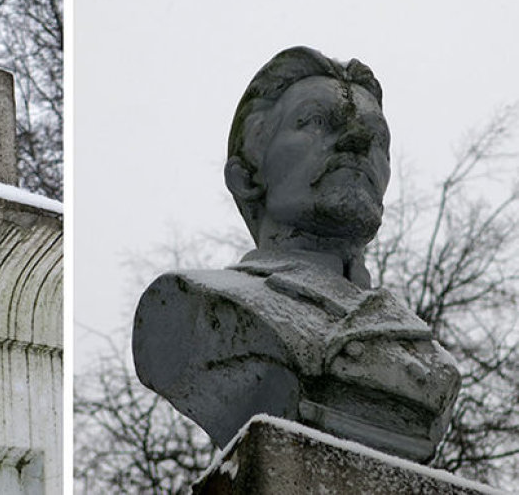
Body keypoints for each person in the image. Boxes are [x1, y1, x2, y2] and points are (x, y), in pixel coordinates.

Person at [132, 46, 460, 462]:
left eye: (376, 137)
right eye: (317, 121)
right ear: (246, 177)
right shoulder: (193, 307)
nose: (359, 143)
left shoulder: (426, 353)